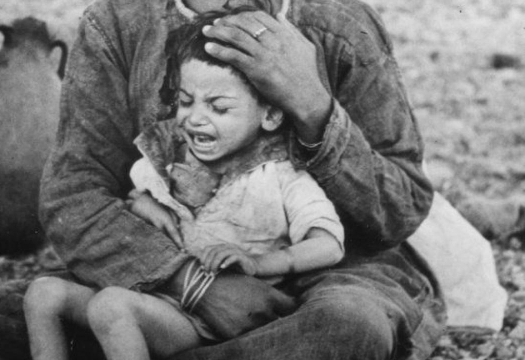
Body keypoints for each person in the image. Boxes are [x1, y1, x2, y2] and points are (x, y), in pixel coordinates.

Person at [36, 0, 446, 359]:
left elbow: (402, 205)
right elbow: (72, 195)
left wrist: (313, 104)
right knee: (45, 307)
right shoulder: (117, 24)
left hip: (328, 275)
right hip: (162, 278)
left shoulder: (340, 25)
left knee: (349, 327)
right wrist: (193, 284)